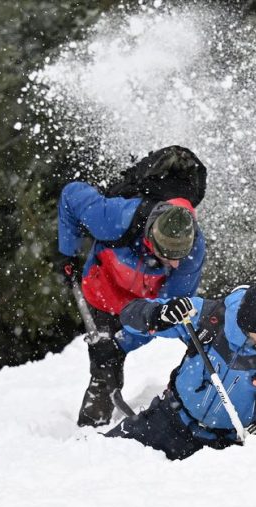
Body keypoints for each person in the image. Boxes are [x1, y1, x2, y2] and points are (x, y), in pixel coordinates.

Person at [54, 181, 207, 426]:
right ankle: (89, 434)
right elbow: (71, 194)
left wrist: (121, 343)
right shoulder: (113, 217)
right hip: (102, 293)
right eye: (168, 256)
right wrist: (67, 251)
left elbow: (163, 314)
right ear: (151, 240)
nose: (177, 265)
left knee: (112, 355)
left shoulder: (193, 251)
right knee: (104, 369)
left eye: (180, 257)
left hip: (139, 307)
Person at [105, 284, 256, 460]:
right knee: (102, 454)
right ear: (245, 326)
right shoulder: (209, 317)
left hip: (223, 447)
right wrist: (157, 314)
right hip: (170, 419)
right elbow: (129, 316)